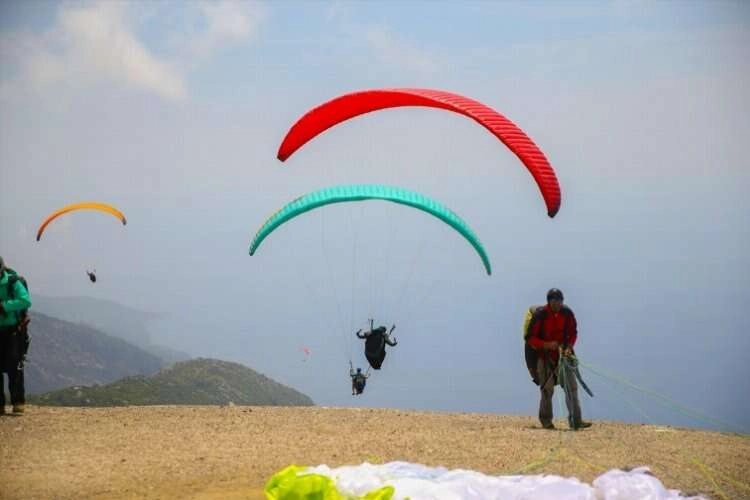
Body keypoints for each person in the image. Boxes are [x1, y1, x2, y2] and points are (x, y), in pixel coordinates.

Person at [526, 288, 591, 430]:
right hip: (545, 357)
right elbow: (530, 338)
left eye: (560, 300)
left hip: (564, 356)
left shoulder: (567, 314)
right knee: (547, 390)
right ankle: (546, 422)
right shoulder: (540, 315)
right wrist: (546, 344)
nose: (557, 303)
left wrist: (569, 347)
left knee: (572, 388)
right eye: (554, 300)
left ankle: (576, 421)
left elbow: (573, 332)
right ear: (548, 301)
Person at [0, 256, 32, 415]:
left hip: (13, 330)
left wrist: (5, 306)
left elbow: (26, 300)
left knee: (14, 365)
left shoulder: (13, 282)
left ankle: (18, 402)